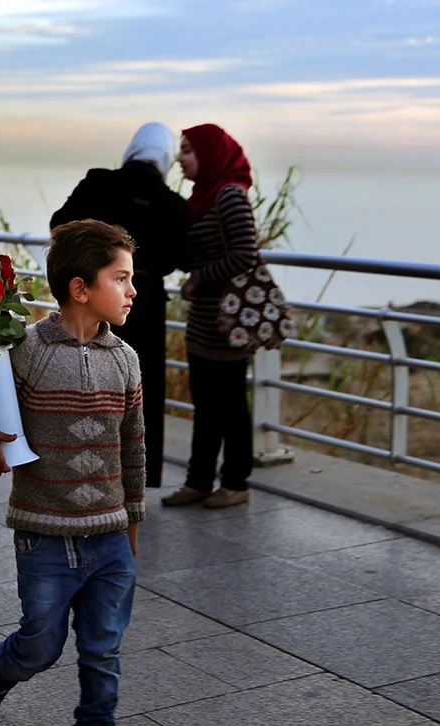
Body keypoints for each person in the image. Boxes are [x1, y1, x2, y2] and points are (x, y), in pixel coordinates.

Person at [0, 219, 145, 726]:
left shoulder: (128, 360)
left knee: (103, 649)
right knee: (40, 644)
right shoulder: (29, 350)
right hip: (44, 533)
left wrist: (133, 522)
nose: (133, 290)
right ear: (81, 288)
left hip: (110, 536)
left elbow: (133, 444)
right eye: (122, 278)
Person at [50, 122, 190, 488]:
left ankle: (84, 469)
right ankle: (137, 479)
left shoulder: (99, 182)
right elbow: (183, 257)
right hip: (144, 303)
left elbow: (58, 225)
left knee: (91, 384)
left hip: (94, 298)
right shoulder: (173, 204)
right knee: (140, 391)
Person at [160, 124, 259, 510]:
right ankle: (199, 480)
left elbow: (244, 255)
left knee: (231, 403)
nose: (180, 159)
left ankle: (236, 482)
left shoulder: (230, 195)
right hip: (204, 318)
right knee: (206, 402)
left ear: (211, 154)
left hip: (228, 320)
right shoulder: (202, 198)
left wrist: (199, 278)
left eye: (187, 150)